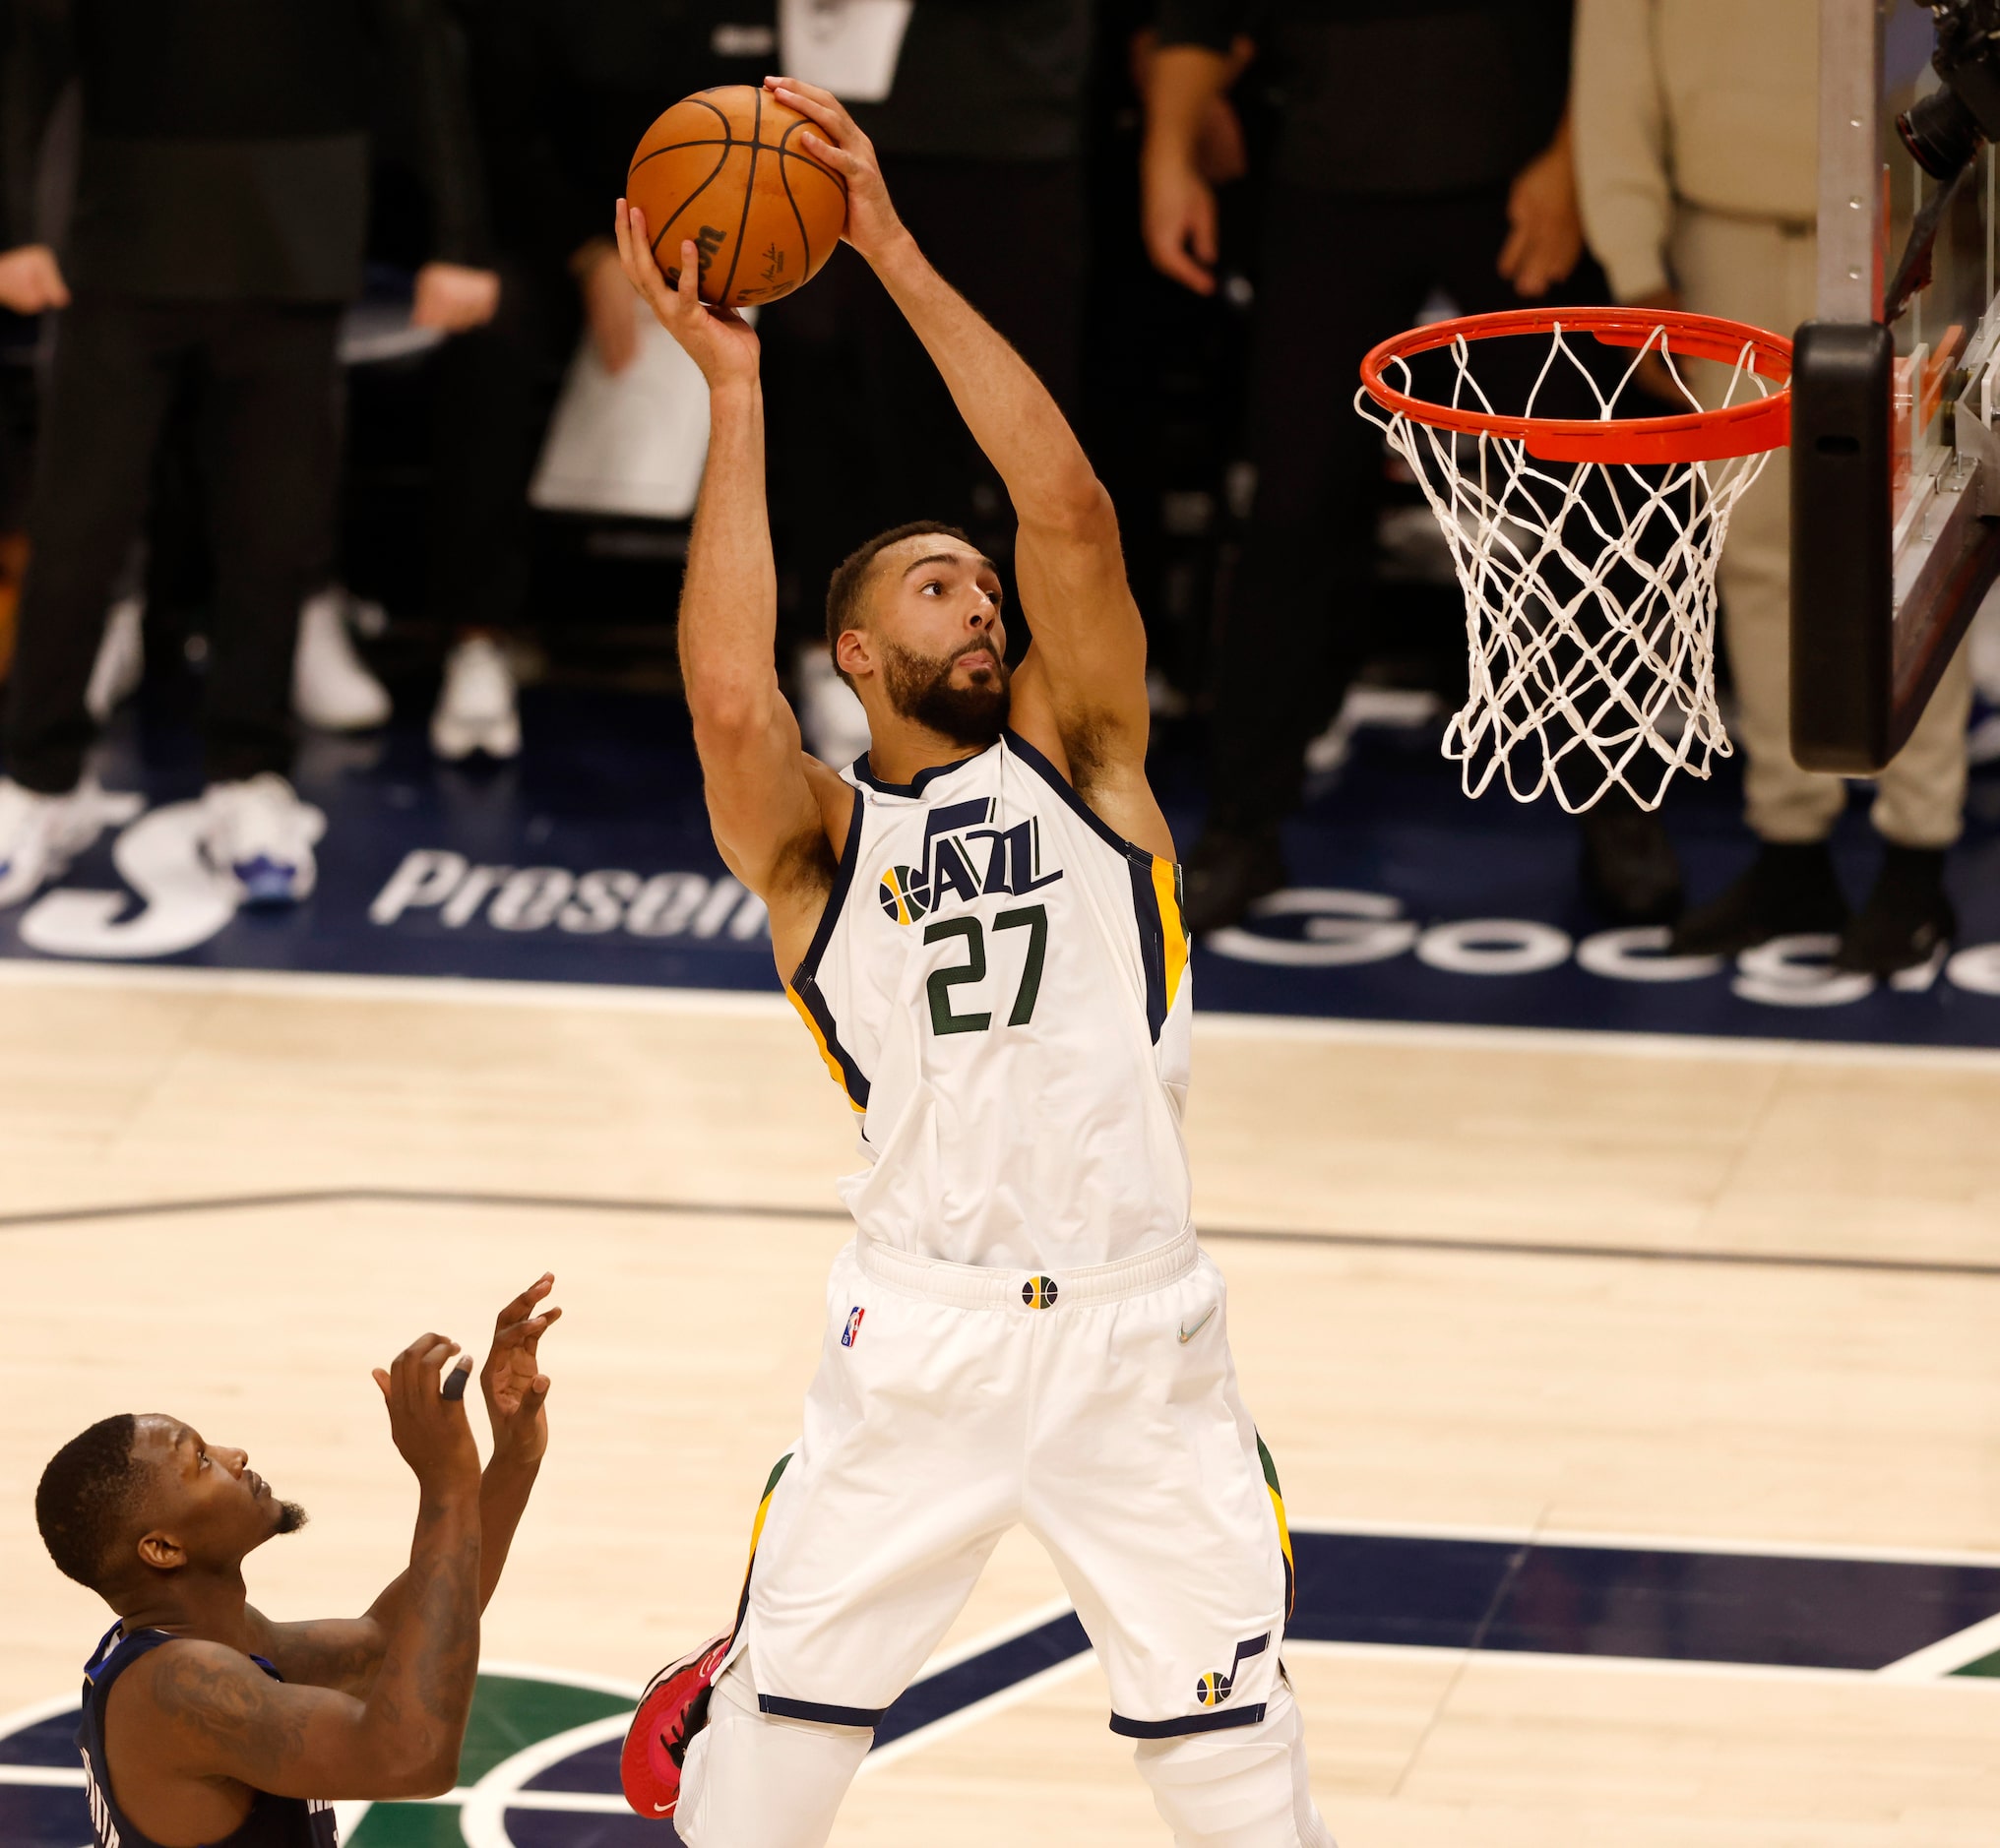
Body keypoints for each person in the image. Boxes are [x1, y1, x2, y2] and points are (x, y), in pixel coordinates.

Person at [607, 78, 1334, 1848]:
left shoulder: (1089, 769)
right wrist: (733, 387)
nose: (981, 596)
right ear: (853, 650)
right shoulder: (821, 845)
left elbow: (1068, 506)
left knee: (1243, 1791)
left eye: (979, 582)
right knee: (756, 1797)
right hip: (915, 1344)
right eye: (936, 586)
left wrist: (891, 248)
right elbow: (722, 696)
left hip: (1138, 1338)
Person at [1143, 0, 1684, 933]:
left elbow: (1614, 15)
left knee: (1591, 503)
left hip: (1518, 177)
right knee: (1294, 506)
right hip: (1324, 186)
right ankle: (1244, 820)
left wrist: (1573, 161)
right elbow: (1204, 11)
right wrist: (1168, 154)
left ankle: (1617, 802)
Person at [0, 0, 498, 910]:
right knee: (79, 524)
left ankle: (247, 778)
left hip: (293, 238)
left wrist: (459, 236)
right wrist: (14, 223)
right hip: (119, 232)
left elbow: (424, 40)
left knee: (274, 531)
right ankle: (36, 781)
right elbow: (31, 36)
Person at [1574, 0, 1973, 974]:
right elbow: (1615, 51)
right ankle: (1789, 842)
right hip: (1722, 228)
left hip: (1906, 211)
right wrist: (1631, 255)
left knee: (1917, 532)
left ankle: (1917, 853)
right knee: (1748, 547)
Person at [32, 1275, 558, 1848]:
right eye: (202, 1461)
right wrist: (444, 1486)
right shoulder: (178, 1688)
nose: (237, 1456)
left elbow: (387, 1644)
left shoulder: (204, 1641)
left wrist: (514, 1457)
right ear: (163, 1549)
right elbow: (412, 1759)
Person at [757, 0, 1097, 768]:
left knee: (1036, 450)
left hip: (1016, 126)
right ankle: (874, 667)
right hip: (849, 109)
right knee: (875, 424)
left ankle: (1048, 691)